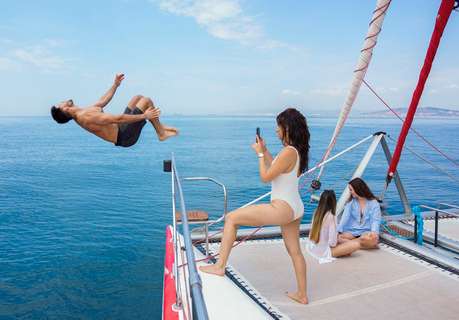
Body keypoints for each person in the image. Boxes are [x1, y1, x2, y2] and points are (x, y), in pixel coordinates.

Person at [199, 108, 310, 305]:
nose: (276, 130)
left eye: (278, 126)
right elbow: (279, 169)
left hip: (282, 208)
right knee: (295, 252)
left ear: (286, 128)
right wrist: (265, 151)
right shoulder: (296, 151)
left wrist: (259, 155)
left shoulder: (288, 152)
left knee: (232, 218)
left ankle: (219, 266)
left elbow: (266, 177)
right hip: (295, 208)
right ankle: (302, 294)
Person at [50, 74, 179, 147]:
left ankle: (160, 126)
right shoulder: (87, 116)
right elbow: (118, 119)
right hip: (125, 136)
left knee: (138, 97)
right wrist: (144, 116)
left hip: (121, 128)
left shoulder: (83, 111)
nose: (61, 101)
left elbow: (102, 101)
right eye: (59, 105)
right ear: (66, 108)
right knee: (146, 101)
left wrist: (115, 85)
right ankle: (161, 133)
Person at [306, 190, 360, 264]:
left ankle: (346, 247)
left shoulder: (316, 212)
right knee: (356, 245)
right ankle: (359, 243)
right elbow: (332, 243)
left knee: (340, 239)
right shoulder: (332, 218)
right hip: (322, 252)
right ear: (333, 202)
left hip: (311, 247)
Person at [337, 177, 381, 249]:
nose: (349, 192)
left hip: (366, 231)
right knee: (336, 237)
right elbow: (345, 218)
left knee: (372, 239)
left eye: (351, 190)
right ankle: (364, 246)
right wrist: (338, 230)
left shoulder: (374, 203)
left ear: (358, 189)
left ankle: (353, 243)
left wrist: (374, 231)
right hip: (351, 231)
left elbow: (376, 220)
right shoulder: (350, 202)